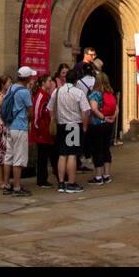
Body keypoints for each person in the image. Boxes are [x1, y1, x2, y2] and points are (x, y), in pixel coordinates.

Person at [51, 64, 91, 194]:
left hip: (61, 125)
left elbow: (50, 108)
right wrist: (84, 127)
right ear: (75, 81)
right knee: (72, 155)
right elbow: (85, 111)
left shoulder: (57, 91)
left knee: (62, 155)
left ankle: (61, 182)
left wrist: (56, 117)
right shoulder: (78, 93)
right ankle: (71, 183)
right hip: (74, 125)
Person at [2, 66, 36, 196]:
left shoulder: (11, 88)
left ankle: (6, 184)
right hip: (20, 126)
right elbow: (30, 111)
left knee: (9, 156)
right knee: (19, 158)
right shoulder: (24, 92)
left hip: (10, 126)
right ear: (27, 78)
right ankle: (17, 186)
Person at [87, 72, 117, 184]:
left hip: (97, 125)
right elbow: (116, 108)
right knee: (106, 149)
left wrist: (103, 118)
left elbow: (94, 109)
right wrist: (112, 118)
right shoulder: (110, 93)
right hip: (109, 125)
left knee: (97, 150)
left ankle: (98, 177)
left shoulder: (95, 94)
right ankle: (107, 175)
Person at [30, 74, 55, 188]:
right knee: (42, 157)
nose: (51, 82)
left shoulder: (46, 95)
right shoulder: (41, 95)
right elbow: (36, 114)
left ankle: (44, 178)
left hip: (45, 130)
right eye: (49, 81)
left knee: (45, 156)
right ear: (43, 83)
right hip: (42, 131)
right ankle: (41, 180)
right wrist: (38, 129)